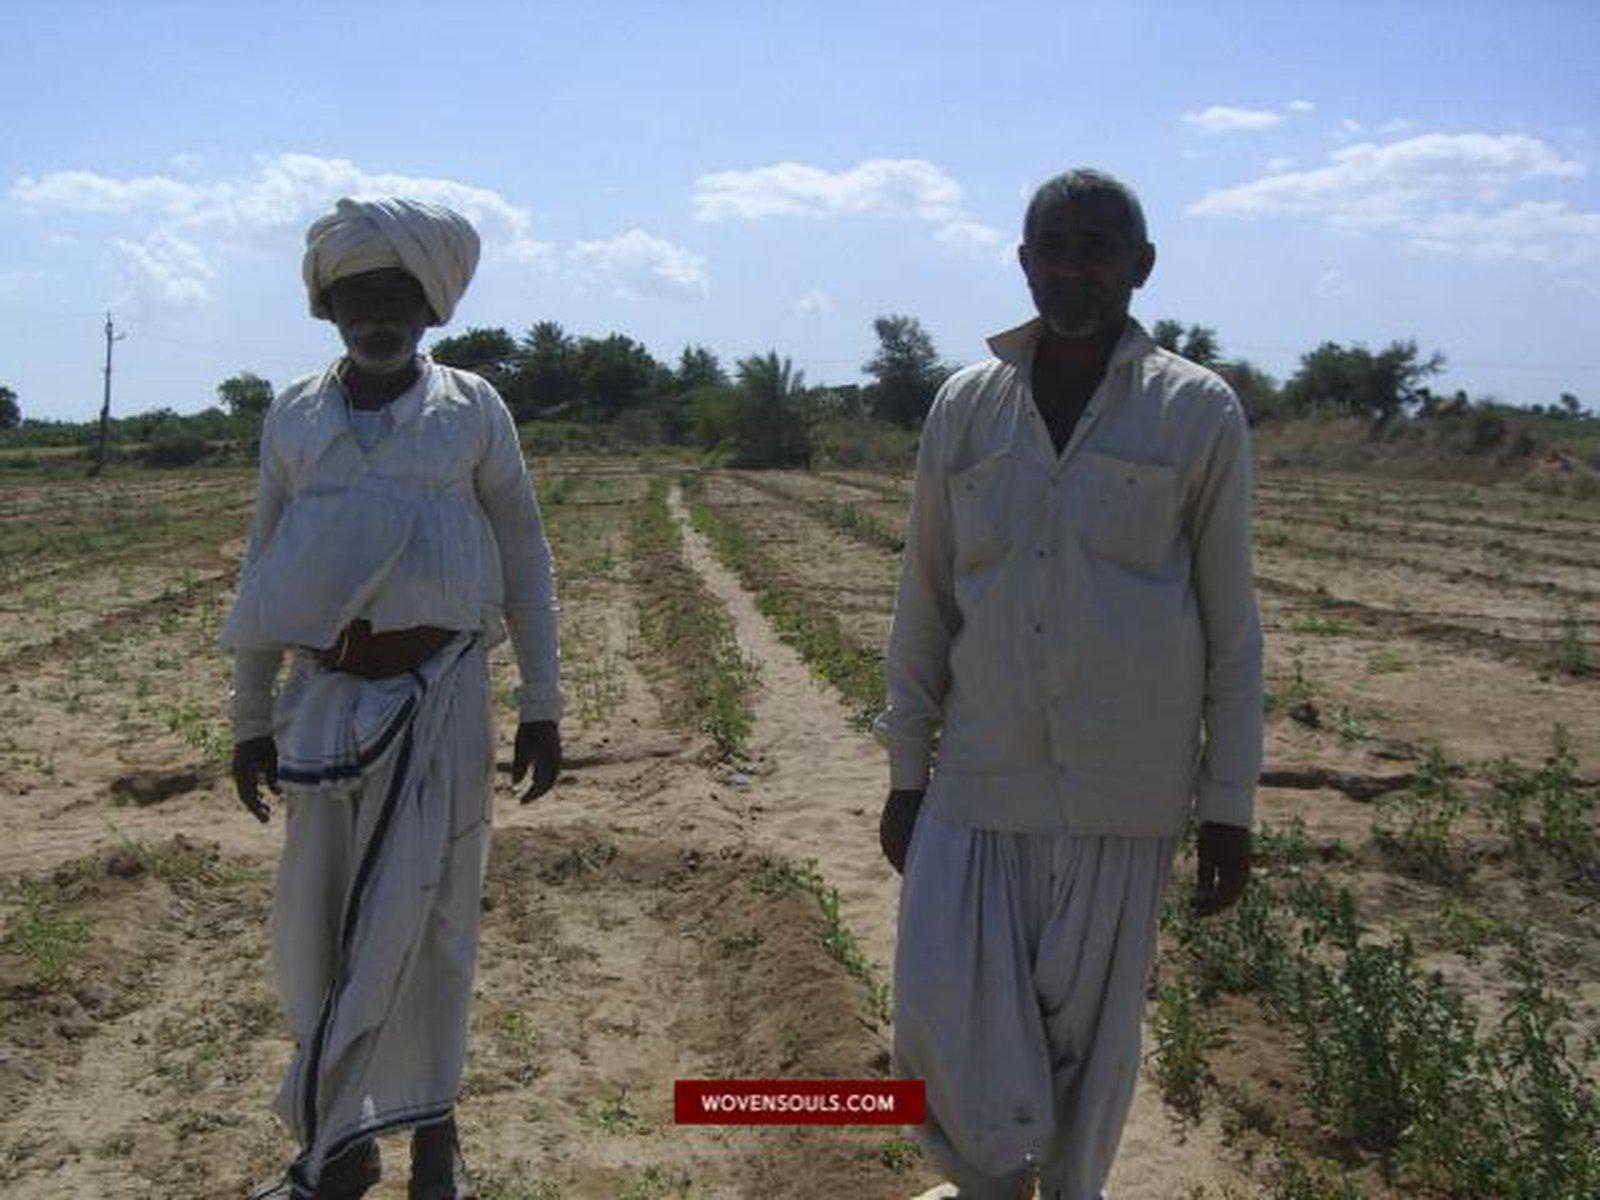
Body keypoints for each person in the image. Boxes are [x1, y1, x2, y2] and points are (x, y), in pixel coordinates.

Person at [878, 169, 1261, 1200]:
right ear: (1023, 260)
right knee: (938, 1017)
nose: (1074, 266)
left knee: (1090, 1057)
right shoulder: (967, 405)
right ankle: (989, 1184)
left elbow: (1232, 625)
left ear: (1140, 267)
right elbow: (925, 598)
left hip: (1122, 789)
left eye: (1098, 247)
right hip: (981, 773)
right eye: (1054, 245)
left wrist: (1226, 807)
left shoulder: (1196, 411)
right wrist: (906, 774)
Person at [224, 196, 562, 1200]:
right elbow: (264, 568)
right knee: (319, 928)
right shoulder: (293, 414)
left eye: (400, 294)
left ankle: (432, 1145)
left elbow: (524, 552)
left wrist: (542, 701)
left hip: (442, 697)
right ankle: (343, 1143)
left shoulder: (473, 409)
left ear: (434, 307)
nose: (380, 311)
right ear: (328, 305)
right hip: (321, 702)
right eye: (360, 293)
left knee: (434, 924)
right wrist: (249, 717)